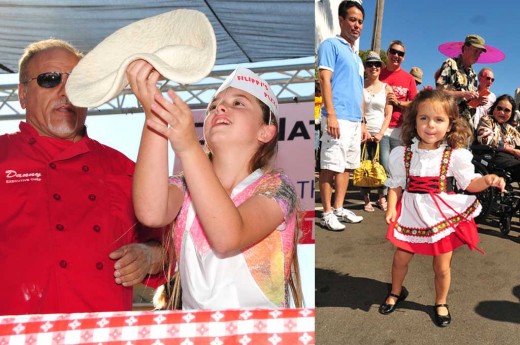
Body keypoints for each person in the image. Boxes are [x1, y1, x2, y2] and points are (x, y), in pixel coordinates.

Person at [0, 39, 166, 315]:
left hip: (102, 335)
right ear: (22, 94)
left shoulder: (121, 167)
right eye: (50, 79)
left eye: (78, 83)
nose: (66, 91)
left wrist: (150, 257)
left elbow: (171, 244)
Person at [129, 62, 303, 310]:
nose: (220, 107)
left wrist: (189, 148)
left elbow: (229, 236)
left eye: (238, 103)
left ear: (266, 132)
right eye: (213, 106)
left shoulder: (277, 186)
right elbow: (151, 212)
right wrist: (154, 116)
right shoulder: (183, 184)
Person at [378, 89, 505, 327]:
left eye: (439, 119)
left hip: (441, 215)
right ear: (414, 121)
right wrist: (391, 207)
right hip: (412, 214)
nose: (430, 125)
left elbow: (469, 183)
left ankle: (441, 301)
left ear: (449, 125)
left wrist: (487, 180)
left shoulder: (454, 155)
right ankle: (396, 292)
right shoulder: (403, 154)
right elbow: (395, 185)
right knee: (400, 257)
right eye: (423, 118)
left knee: (442, 265)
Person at [317, 0, 368, 231]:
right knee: (329, 165)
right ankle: (327, 212)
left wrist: (363, 121)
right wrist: (331, 115)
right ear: (341, 20)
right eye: (352, 20)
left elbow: (359, 92)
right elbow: (325, 80)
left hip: (355, 120)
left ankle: (338, 208)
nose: (356, 25)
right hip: (336, 116)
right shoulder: (330, 45)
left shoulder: (357, 57)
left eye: (360, 21)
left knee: (346, 166)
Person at [360, 51, 392, 212]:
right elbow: (359, 110)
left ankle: (382, 196)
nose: (374, 67)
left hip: (382, 133)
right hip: (363, 132)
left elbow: (388, 114)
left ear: (381, 67)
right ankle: (366, 198)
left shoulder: (387, 88)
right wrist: (363, 128)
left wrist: (380, 133)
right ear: (365, 67)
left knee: (384, 165)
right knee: (364, 167)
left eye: (377, 64)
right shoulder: (360, 85)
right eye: (370, 64)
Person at [379, 40, 418, 170]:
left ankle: (391, 191)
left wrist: (398, 102)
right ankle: (383, 191)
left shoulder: (408, 78)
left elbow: (415, 103)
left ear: (404, 57)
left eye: (400, 53)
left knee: (396, 167)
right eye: (393, 52)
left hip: (399, 128)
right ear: (387, 53)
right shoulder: (378, 74)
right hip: (379, 127)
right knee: (383, 165)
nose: (396, 55)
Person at [436, 34, 486, 130]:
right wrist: (463, 94)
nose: (477, 55)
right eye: (476, 51)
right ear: (466, 48)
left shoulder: (473, 75)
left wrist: (477, 101)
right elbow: (439, 92)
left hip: (465, 126)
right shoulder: (451, 64)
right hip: (448, 123)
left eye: (479, 53)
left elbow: (468, 103)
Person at [476, 94, 520, 181]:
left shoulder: (509, 128)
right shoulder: (487, 119)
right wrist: (512, 150)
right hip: (493, 157)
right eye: (499, 108)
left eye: (507, 110)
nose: (502, 112)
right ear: (494, 108)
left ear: (511, 114)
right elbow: (485, 139)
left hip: (510, 159)